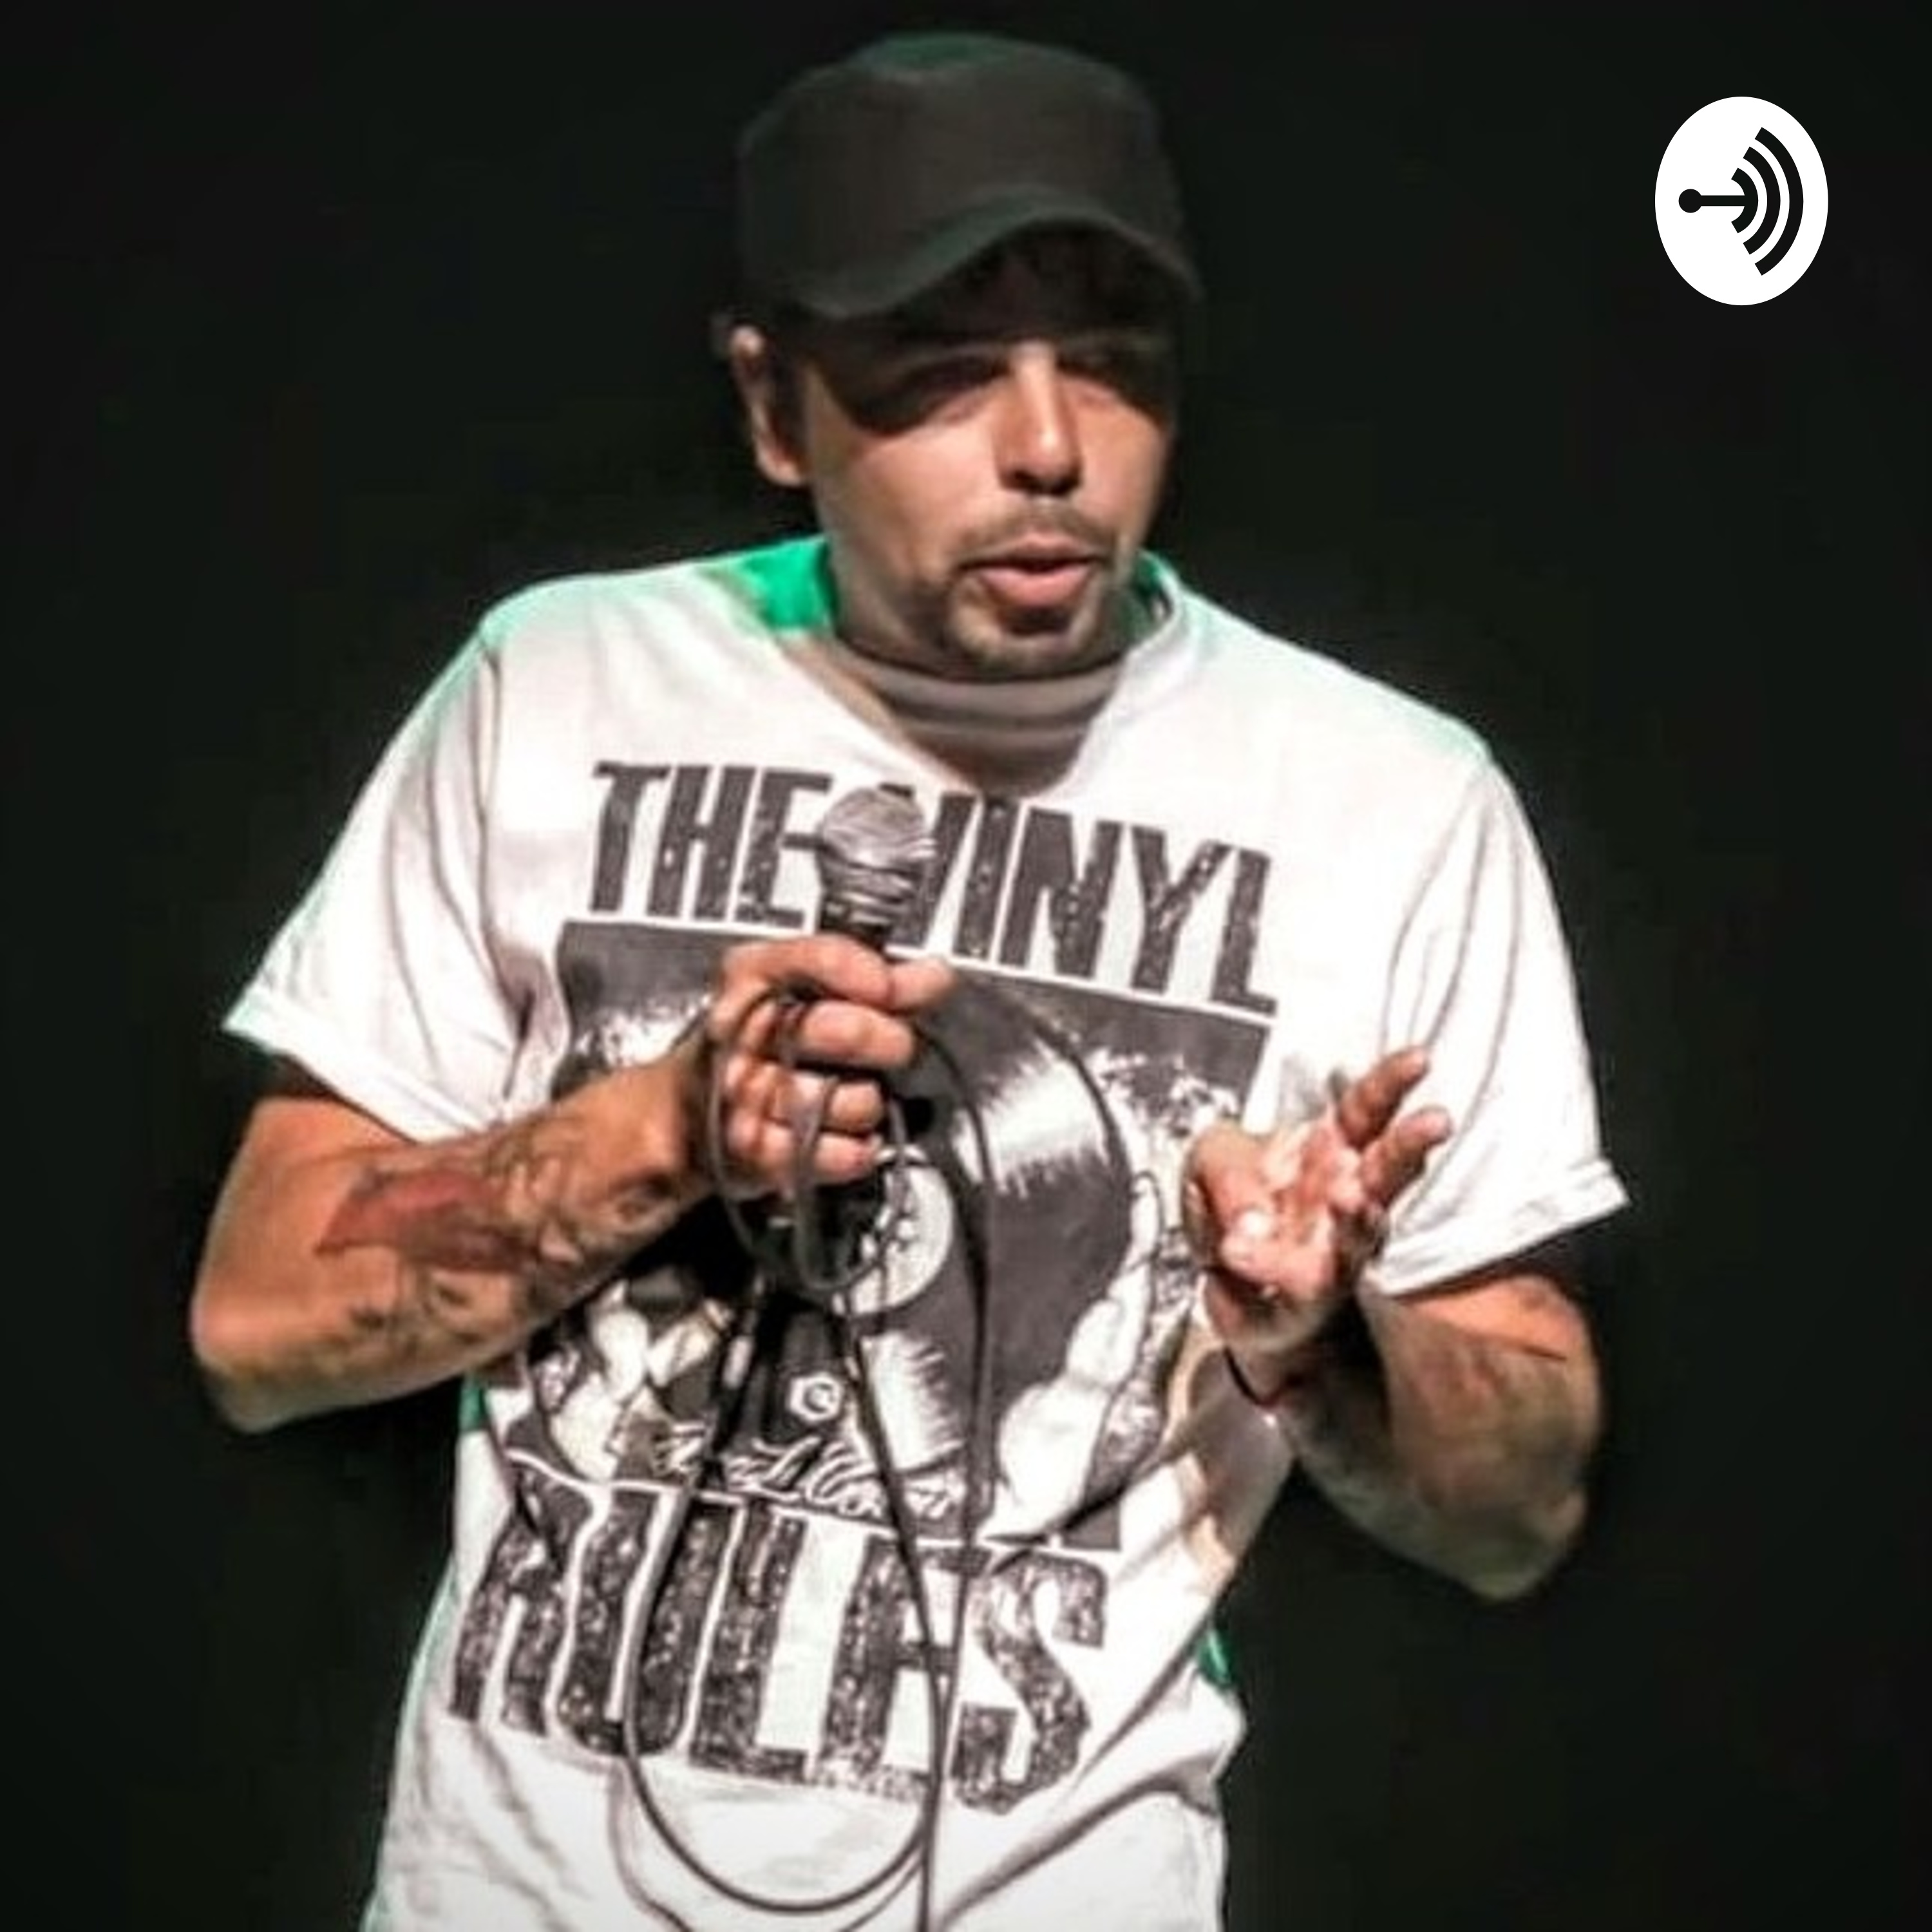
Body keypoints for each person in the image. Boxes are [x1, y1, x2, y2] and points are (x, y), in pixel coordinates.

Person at [188, 29, 1627, 1932]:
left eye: (1111, 360)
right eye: (944, 370)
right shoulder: (555, 684)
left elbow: (1524, 1512)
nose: (1050, 450)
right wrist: (666, 1133)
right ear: (772, 405)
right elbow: (256, 1328)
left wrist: (1321, 1348)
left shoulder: (1395, 800)